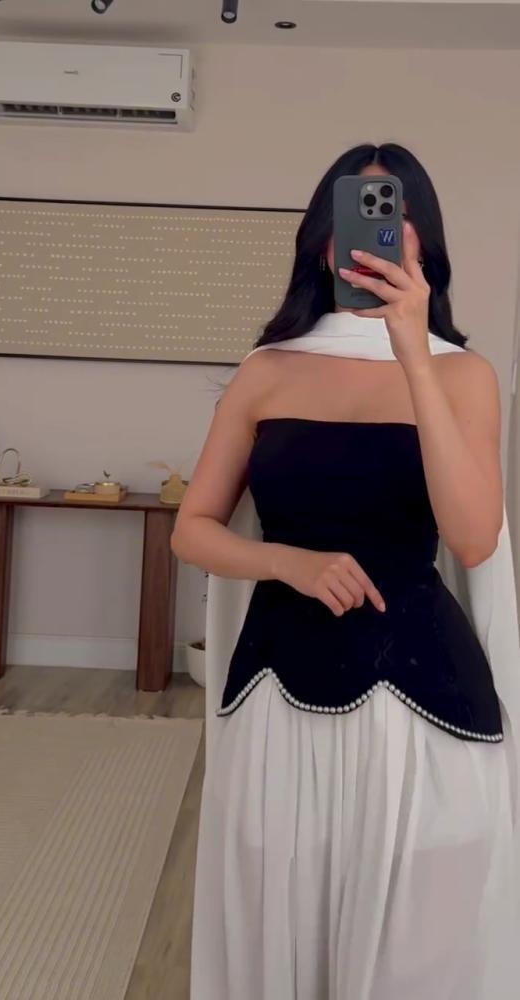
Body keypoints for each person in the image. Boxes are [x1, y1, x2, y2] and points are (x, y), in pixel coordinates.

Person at [171, 143, 520, 999]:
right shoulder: (266, 371)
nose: (366, 237)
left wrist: (414, 356)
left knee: (421, 937)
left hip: (422, 701)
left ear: (420, 242)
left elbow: (473, 539)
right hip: (279, 692)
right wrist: (284, 560)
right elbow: (192, 529)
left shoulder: (464, 376)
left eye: (389, 216)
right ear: (321, 242)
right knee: (276, 908)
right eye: (348, 217)